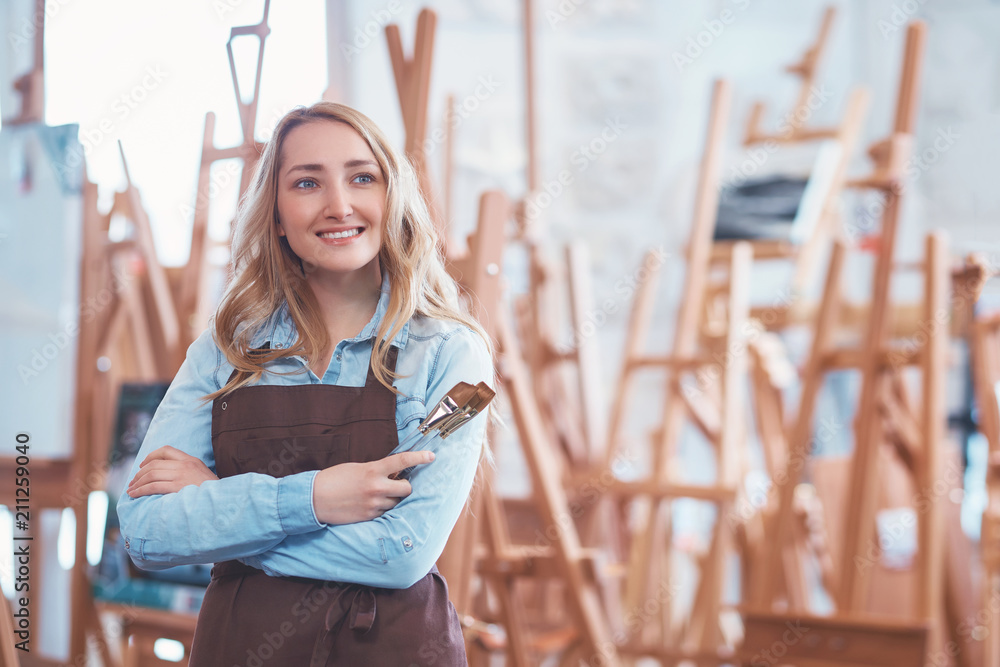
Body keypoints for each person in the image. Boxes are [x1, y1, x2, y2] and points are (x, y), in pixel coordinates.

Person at [116, 101, 494, 665]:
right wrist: (315, 498)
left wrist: (225, 513)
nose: (339, 205)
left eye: (361, 177)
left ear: (392, 197)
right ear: (275, 212)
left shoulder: (452, 355)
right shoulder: (225, 352)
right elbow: (147, 532)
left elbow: (401, 553)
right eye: (307, 183)